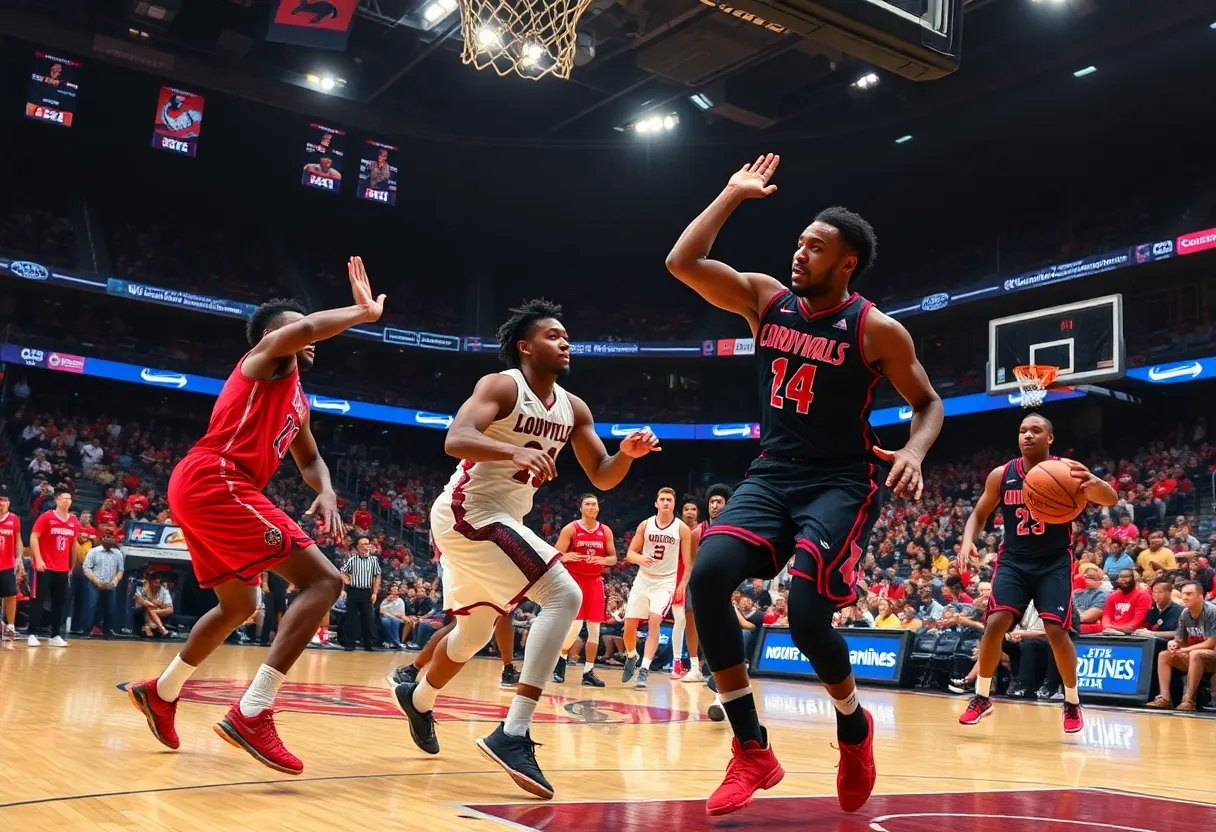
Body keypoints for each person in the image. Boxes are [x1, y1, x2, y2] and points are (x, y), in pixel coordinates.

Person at [667, 153, 943, 816]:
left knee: (806, 617)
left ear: (846, 263)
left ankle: (854, 728)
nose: (800, 254)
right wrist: (731, 193)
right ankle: (752, 750)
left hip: (839, 482)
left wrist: (915, 448)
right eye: (799, 242)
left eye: (815, 248)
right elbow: (682, 263)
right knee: (705, 579)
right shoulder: (766, 299)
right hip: (772, 473)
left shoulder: (876, 328)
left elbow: (928, 402)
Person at [390, 299, 659, 800]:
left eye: (567, 337)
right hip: (469, 511)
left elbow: (601, 476)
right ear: (525, 346)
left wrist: (625, 455)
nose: (566, 343)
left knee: (470, 637)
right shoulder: (502, 385)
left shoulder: (574, 408)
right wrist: (513, 448)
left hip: (501, 519)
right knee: (565, 595)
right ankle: (512, 734)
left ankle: (419, 696)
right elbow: (456, 438)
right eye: (554, 336)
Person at [127, 256, 383, 775]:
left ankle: (162, 690)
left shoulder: (297, 400)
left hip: (205, 487)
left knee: (239, 604)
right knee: (324, 582)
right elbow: (308, 327)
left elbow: (308, 458)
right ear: (272, 335)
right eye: (297, 328)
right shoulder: (267, 359)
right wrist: (359, 313)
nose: (309, 337)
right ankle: (254, 709)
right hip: (216, 478)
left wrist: (328, 489)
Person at [958, 414, 1116, 734]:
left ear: (1050, 438)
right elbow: (979, 513)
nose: (1027, 435)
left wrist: (1094, 482)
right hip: (1014, 561)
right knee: (995, 624)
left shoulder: (1067, 471)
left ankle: (1071, 701)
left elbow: (1110, 498)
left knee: (1056, 631)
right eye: (1022, 430)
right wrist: (966, 544)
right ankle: (982, 697)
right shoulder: (1001, 475)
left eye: (1036, 430)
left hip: (1054, 561)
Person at [621, 488, 691, 688]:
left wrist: (683, 583)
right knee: (629, 626)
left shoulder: (681, 529)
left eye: (670, 499)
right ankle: (632, 655)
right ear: (656, 503)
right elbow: (630, 554)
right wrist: (641, 558)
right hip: (643, 579)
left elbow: (688, 561)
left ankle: (644, 669)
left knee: (654, 621)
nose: (666, 502)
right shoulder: (646, 525)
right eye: (663, 499)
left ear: (674, 504)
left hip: (665, 582)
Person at [552, 494, 616, 687]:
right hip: (574, 581)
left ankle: (588, 671)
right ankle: (561, 658)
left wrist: (603, 560)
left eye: (593, 504)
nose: (590, 507)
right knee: (575, 627)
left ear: (598, 509)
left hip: (595, 582)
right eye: (587, 504)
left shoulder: (605, 531)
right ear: (580, 508)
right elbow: (555, 554)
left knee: (595, 630)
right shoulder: (571, 528)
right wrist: (566, 556)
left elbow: (613, 558)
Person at [1146, 581, 1216, 711]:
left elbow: (1210, 644)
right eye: (1183, 594)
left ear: (1200, 596)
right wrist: (1173, 643)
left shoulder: (1212, 612)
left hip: (1211, 656)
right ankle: (1165, 698)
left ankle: (1188, 700)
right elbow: (1180, 639)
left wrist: (1185, 649)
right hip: (1197, 657)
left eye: (1189, 594)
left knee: (1196, 654)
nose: (1184, 597)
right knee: (1165, 655)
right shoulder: (1185, 614)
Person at [28, 488, 81, 647]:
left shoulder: (74, 522)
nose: (67, 501)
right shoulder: (47, 517)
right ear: (57, 500)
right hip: (44, 566)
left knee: (60, 602)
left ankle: (55, 635)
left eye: (69, 498)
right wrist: (38, 559)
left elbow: (74, 544)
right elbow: (34, 537)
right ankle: (31, 633)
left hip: (62, 568)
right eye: (64, 498)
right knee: (38, 600)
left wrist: (71, 566)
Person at [81, 530, 125, 640]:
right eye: (104, 536)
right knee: (91, 606)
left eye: (109, 536)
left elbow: (120, 570)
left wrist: (114, 582)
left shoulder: (118, 553)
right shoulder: (93, 551)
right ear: (100, 539)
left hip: (110, 585)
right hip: (95, 583)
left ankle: (107, 632)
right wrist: (96, 581)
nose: (107, 538)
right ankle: (87, 630)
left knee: (111, 608)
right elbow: (86, 568)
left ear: (113, 539)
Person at [340, 537, 382, 651]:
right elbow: (342, 572)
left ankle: (368, 644)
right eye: (362, 544)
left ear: (369, 546)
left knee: (368, 618)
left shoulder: (374, 560)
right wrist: (348, 582)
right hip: (354, 591)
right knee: (351, 618)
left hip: (367, 592)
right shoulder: (351, 559)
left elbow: (377, 576)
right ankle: (349, 643)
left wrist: (375, 593)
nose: (364, 546)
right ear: (358, 547)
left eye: (366, 544)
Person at [0, 493, 24, 648]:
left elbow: (18, 540)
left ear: (8, 503)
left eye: (4, 501)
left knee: (10, 595)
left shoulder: (14, 519)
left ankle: (11, 626)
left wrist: (19, 558)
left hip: (7, 564)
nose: (1, 503)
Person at [134, 571, 175, 637]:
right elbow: (141, 601)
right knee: (149, 608)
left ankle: (151, 628)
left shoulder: (164, 590)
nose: (157, 584)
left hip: (160, 612)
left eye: (158, 581)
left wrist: (160, 605)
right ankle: (161, 629)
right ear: (149, 581)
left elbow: (170, 608)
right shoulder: (142, 588)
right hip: (143, 612)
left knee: (165, 610)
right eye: (155, 581)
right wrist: (153, 604)